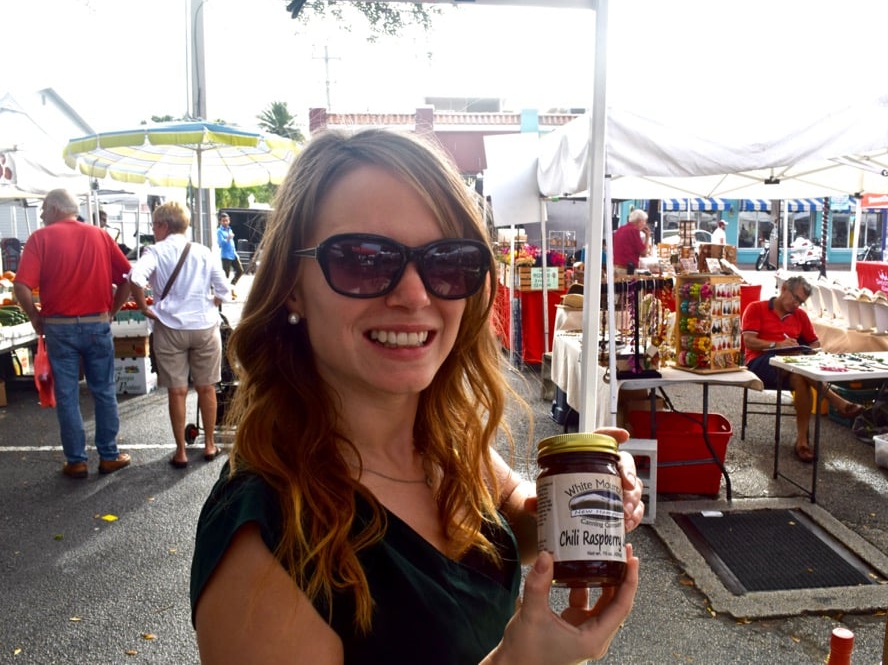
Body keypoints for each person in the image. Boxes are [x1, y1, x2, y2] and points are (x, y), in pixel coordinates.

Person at [189, 130, 643, 664]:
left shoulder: (441, 435)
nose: (414, 294)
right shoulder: (261, 539)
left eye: (447, 260)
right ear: (292, 285)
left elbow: (503, 518)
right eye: (363, 259)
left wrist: (574, 498)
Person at [12, 189, 133, 478]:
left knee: (67, 395)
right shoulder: (100, 236)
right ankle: (109, 455)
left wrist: (34, 316)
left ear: (55, 209)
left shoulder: (40, 239)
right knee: (103, 391)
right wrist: (112, 310)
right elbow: (129, 278)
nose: (40, 214)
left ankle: (76, 460)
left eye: (43, 208)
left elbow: (21, 286)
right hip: (97, 323)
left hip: (59, 328)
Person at [130, 202, 230, 468]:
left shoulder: (155, 251)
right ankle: (210, 444)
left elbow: (136, 278)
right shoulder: (204, 252)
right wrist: (210, 300)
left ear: (164, 225)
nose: (153, 231)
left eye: (154, 226)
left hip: (169, 327)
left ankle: (181, 452)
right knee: (207, 387)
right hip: (204, 327)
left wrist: (144, 308)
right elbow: (224, 290)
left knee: (177, 392)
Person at [741, 275, 864, 463]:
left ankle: (802, 442)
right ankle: (836, 401)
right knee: (799, 370)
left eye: (801, 302)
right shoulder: (756, 308)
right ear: (783, 289)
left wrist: (808, 351)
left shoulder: (800, 316)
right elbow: (749, 341)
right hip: (759, 362)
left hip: (791, 365)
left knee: (800, 377)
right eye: (795, 298)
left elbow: (815, 343)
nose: (797, 304)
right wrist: (777, 345)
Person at [611, 208, 649, 276]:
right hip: (626, 270)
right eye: (644, 221)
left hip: (616, 267)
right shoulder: (633, 230)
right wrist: (647, 236)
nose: (645, 224)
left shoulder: (620, 229)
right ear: (640, 221)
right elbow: (644, 253)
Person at [216, 212, 243, 300]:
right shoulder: (219, 231)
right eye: (223, 221)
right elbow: (220, 243)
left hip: (233, 254)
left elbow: (232, 244)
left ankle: (232, 286)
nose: (225, 222)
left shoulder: (229, 229)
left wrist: (236, 254)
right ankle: (223, 294)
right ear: (220, 222)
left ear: (229, 221)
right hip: (226, 256)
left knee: (240, 271)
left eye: (226, 220)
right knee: (225, 276)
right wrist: (228, 238)